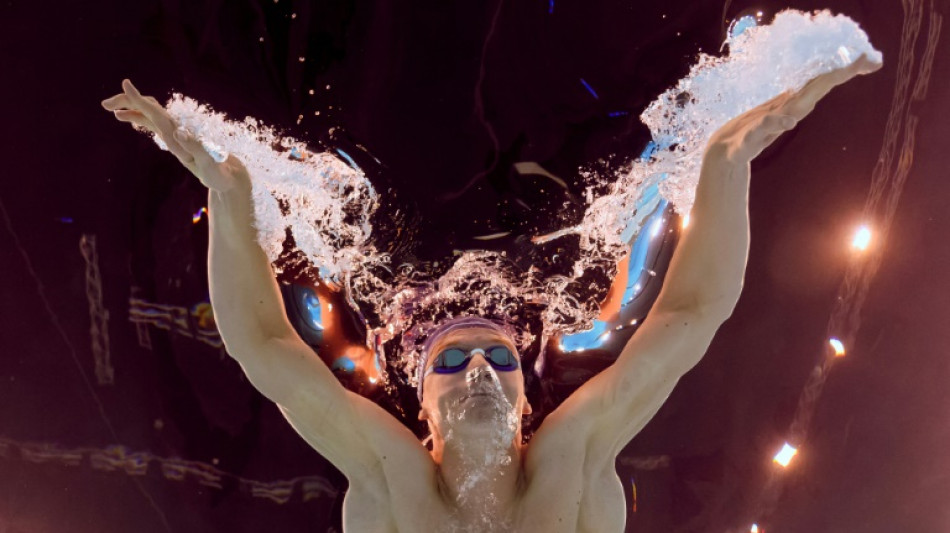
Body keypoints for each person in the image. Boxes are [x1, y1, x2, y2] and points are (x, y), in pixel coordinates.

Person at [102, 54, 879, 532]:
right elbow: (266, 350)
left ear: (525, 401)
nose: (479, 369)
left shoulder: (565, 459)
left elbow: (687, 315)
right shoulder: (400, 479)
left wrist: (727, 158)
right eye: (461, 360)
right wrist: (227, 188)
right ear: (426, 412)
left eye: (493, 359)